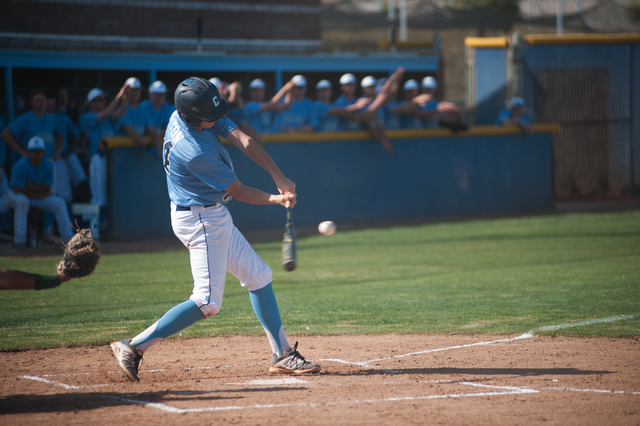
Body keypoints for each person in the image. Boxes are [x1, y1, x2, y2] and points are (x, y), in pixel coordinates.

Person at [109, 77, 321, 383]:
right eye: (211, 114)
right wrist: (277, 199)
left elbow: (242, 139)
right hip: (199, 220)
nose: (218, 117)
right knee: (207, 301)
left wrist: (278, 176)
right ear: (193, 116)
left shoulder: (191, 115)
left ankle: (283, 354)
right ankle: (133, 346)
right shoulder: (193, 149)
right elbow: (237, 190)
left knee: (259, 275)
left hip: (211, 214)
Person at [4, 136, 73, 250]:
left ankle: (68, 239)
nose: (36, 154)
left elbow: (47, 188)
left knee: (59, 202)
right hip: (14, 195)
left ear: (43, 152)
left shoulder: (49, 165)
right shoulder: (20, 165)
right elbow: (17, 189)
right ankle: (19, 241)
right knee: (23, 201)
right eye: (33, 151)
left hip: (36, 196)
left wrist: (27, 186)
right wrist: (38, 192)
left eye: (39, 151)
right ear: (28, 152)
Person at [79, 84, 129, 213]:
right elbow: (105, 113)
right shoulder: (88, 117)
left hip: (112, 159)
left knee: (112, 194)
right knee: (99, 196)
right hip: (98, 158)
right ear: (92, 103)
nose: (103, 102)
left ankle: (106, 227)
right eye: (100, 100)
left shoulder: (108, 118)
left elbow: (121, 112)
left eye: (103, 99)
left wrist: (125, 97)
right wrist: (120, 94)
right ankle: (98, 229)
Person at [1, 89, 63, 167]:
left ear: (46, 101)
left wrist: (58, 151)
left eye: (42, 100)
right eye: (37, 100)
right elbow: (5, 134)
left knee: (51, 179)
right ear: (32, 103)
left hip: (48, 159)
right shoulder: (25, 118)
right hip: (31, 160)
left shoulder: (51, 118)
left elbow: (60, 135)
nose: (40, 103)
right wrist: (21, 151)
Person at [115, 77, 161, 158]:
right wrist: (148, 146)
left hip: (137, 156)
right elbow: (129, 131)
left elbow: (152, 130)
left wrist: (159, 149)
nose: (136, 93)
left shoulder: (142, 110)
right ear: (126, 92)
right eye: (132, 90)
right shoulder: (122, 110)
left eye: (138, 90)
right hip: (121, 155)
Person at [138, 80, 175, 154]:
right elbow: (150, 131)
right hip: (140, 147)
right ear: (150, 95)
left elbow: (167, 129)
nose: (160, 97)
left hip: (157, 147)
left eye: (162, 94)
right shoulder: (144, 107)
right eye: (157, 94)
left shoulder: (166, 106)